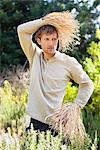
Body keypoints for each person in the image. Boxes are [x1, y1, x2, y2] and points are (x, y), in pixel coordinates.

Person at [17, 11, 94, 139]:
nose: (51, 43)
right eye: (47, 39)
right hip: (34, 123)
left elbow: (87, 84)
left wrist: (77, 105)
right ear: (39, 40)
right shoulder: (34, 56)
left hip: (56, 125)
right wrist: (47, 21)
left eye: (54, 39)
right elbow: (22, 30)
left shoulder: (68, 62)